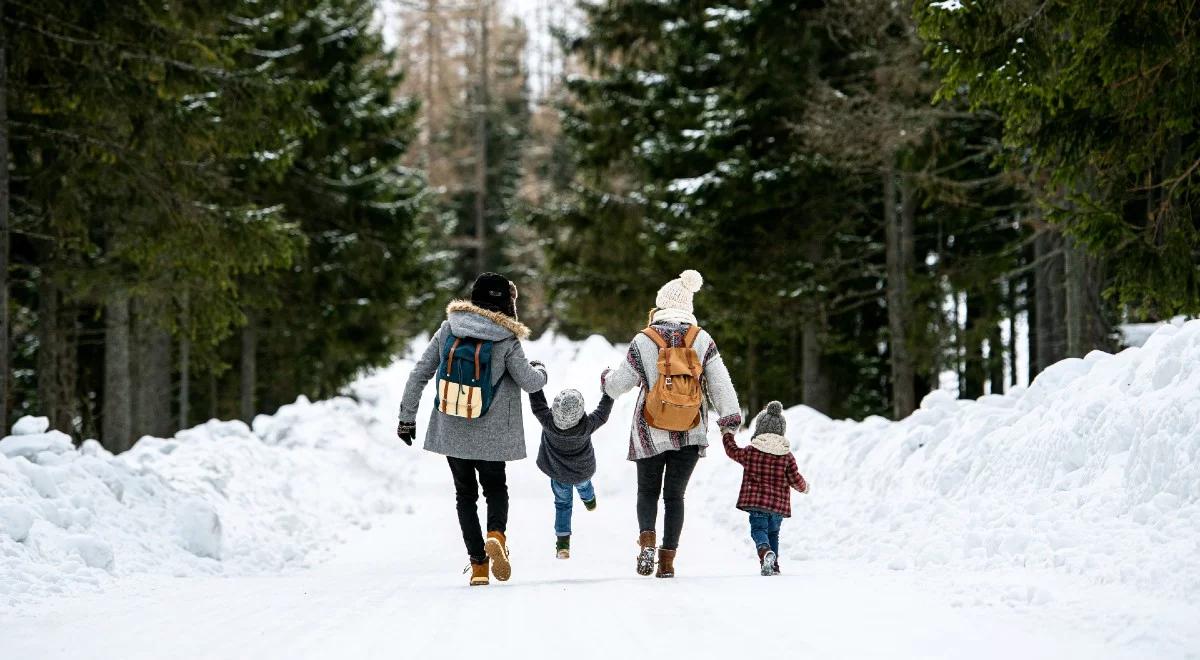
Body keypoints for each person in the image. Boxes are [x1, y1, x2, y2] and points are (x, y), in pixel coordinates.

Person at [397, 273, 548, 586]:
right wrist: (541, 369)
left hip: (453, 428)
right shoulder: (506, 338)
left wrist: (406, 418)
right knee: (495, 489)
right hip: (492, 435)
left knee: (465, 495)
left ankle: (478, 566)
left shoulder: (449, 328)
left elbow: (419, 374)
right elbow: (530, 382)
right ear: (507, 303)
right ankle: (496, 535)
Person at [603, 269, 742, 578]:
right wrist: (730, 421)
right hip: (691, 429)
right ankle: (667, 563)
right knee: (675, 497)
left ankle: (647, 544)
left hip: (649, 430)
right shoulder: (701, 339)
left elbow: (618, 385)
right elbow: (721, 384)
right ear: (687, 307)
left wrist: (605, 381)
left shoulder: (644, 339)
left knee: (647, 492)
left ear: (661, 305)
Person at [528, 376, 614, 559]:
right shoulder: (586, 426)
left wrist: (535, 378)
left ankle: (563, 545)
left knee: (562, 504)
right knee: (585, 487)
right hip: (582, 472)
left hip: (559, 475)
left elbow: (538, 404)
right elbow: (602, 414)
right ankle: (589, 501)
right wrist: (609, 392)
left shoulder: (548, 422)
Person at [721, 401, 809, 576]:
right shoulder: (787, 456)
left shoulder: (751, 452)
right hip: (778, 507)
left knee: (759, 531)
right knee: (773, 533)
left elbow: (732, 451)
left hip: (757, 504)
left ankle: (765, 552)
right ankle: (773, 565)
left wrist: (727, 434)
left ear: (759, 429)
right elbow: (794, 478)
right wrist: (804, 487)